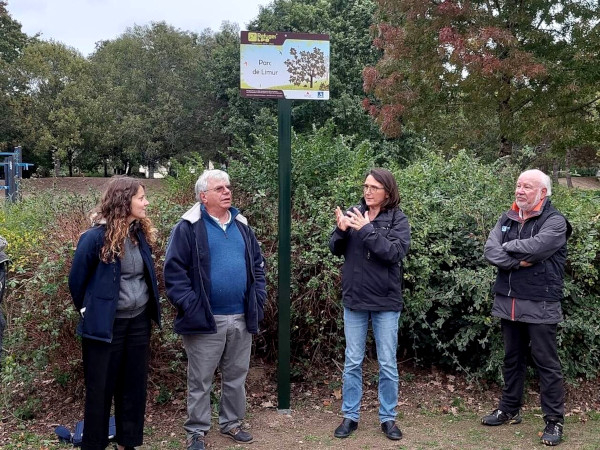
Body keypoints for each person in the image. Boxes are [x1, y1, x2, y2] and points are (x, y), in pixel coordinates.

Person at [164, 169, 266, 450]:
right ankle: (196, 431)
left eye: (228, 187)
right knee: (200, 379)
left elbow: (258, 265)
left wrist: (257, 298)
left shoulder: (242, 225)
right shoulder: (188, 227)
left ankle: (232, 423)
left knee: (235, 377)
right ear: (203, 196)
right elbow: (174, 274)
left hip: (242, 316)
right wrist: (192, 306)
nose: (227, 192)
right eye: (219, 188)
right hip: (206, 319)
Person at [68, 177, 161, 450]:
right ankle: (94, 444)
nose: (146, 202)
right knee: (100, 390)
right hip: (106, 327)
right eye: (141, 197)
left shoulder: (138, 234)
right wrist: (89, 311)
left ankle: (127, 443)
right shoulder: (95, 237)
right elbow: (77, 281)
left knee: (133, 387)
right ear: (124, 200)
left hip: (139, 323)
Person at [482, 169, 572, 446]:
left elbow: (539, 248)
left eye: (527, 187)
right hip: (508, 301)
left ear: (543, 192)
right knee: (512, 359)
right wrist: (515, 260)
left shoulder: (556, 222)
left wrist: (508, 249)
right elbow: (489, 250)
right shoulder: (506, 217)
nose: (520, 191)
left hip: (540, 302)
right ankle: (509, 410)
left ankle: (554, 422)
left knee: (546, 364)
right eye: (518, 185)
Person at [329, 168, 410, 441]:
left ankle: (388, 419)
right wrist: (341, 232)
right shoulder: (354, 212)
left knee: (387, 363)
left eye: (374, 187)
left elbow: (393, 253)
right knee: (353, 361)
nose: (367, 191)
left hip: (386, 302)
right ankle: (350, 416)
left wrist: (366, 230)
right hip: (355, 300)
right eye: (365, 186)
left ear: (388, 191)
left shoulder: (398, 220)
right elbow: (335, 249)